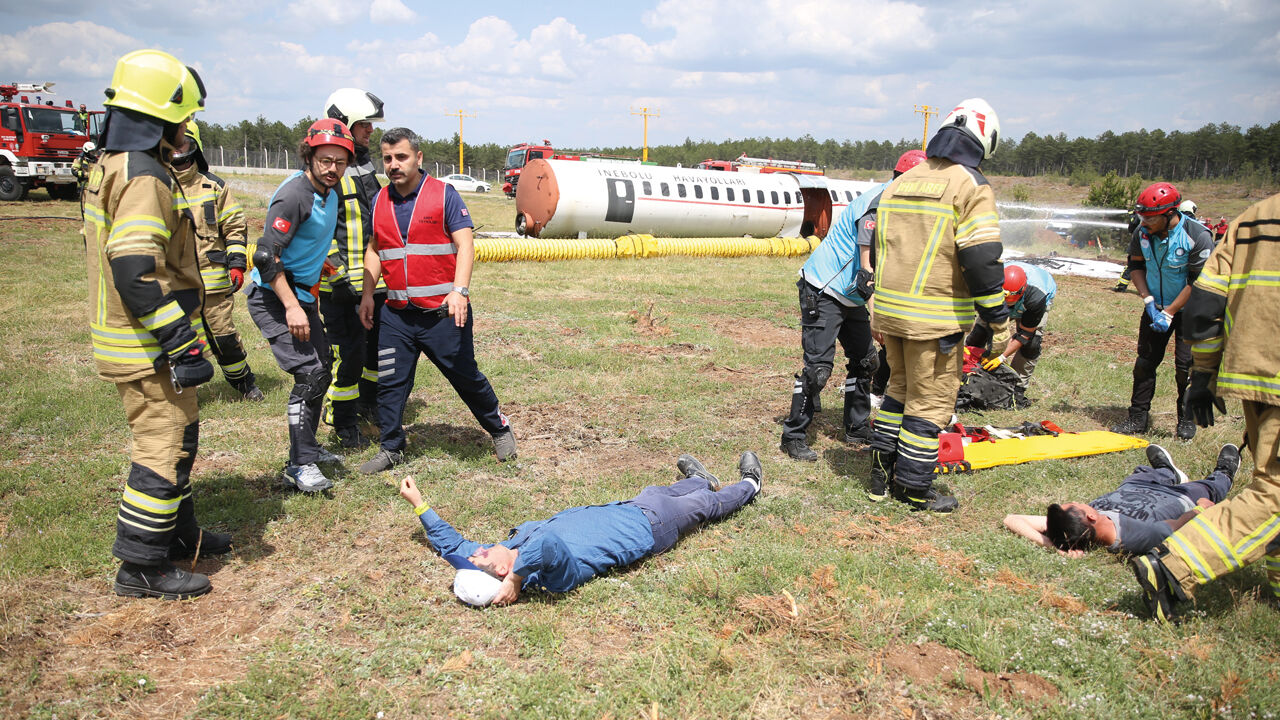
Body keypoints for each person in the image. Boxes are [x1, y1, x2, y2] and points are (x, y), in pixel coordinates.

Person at [85, 49, 223, 600]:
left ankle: (178, 535)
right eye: (182, 119)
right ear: (163, 117)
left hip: (136, 342)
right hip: (146, 346)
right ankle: (142, 565)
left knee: (181, 435)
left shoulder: (114, 165)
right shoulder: (144, 176)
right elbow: (136, 271)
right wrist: (181, 343)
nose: (186, 130)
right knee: (161, 444)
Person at [1128, 191, 1280, 622]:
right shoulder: (1145, 234)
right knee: (1275, 494)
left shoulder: (1252, 218)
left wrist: (1203, 375)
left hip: (1253, 372)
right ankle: (1174, 565)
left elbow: (1204, 306)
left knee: (1270, 479)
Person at [868, 98, 1008, 512]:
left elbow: (879, 248)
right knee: (928, 405)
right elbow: (982, 258)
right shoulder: (969, 186)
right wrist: (998, 320)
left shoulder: (901, 181)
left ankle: (879, 477)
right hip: (934, 319)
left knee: (897, 392)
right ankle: (912, 489)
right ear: (985, 141)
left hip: (890, 313)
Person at [398, 451, 763, 606]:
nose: (478, 550)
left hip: (633, 507)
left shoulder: (505, 553)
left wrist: (420, 505)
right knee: (704, 508)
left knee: (660, 492)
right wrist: (517, 579)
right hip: (653, 528)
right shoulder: (551, 576)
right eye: (480, 559)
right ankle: (749, 486)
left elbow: (453, 546)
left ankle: (700, 479)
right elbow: (549, 543)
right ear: (502, 571)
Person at [357, 127, 516, 474]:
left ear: (418, 158)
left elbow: (466, 245)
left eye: (401, 157)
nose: (394, 165)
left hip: (442, 313)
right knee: (391, 381)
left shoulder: (444, 195)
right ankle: (391, 447)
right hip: (396, 314)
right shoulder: (379, 201)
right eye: (387, 158)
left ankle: (499, 427)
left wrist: (459, 291)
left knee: (465, 377)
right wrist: (368, 294)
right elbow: (374, 250)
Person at [779, 149, 927, 463]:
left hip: (852, 296)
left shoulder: (907, 208)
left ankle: (857, 426)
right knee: (818, 369)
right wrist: (879, 317)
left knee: (866, 362)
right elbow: (865, 273)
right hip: (824, 288)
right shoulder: (879, 206)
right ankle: (793, 436)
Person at [247, 119, 356, 493]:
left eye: (340, 162)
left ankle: (307, 446)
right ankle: (300, 465)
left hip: (303, 295)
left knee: (323, 367)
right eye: (325, 160)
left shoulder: (331, 192)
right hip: (275, 299)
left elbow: (308, 241)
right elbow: (265, 256)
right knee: (309, 374)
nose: (332, 169)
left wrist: (324, 264)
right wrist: (292, 307)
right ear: (308, 156)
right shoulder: (293, 195)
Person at [1110, 182, 1215, 440]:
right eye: (1141, 216)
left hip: (1191, 311)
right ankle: (1137, 418)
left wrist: (1170, 312)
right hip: (1155, 307)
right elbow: (1136, 267)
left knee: (1185, 368)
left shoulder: (1198, 236)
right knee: (1145, 363)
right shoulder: (1141, 234)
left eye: (1148, 217)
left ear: (1170, 213)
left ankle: (1186, 420)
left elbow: (1197, 282)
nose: (1142, 221)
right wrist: (1148, 301)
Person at [1004, 443, 1240, 556]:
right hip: (1178, 498)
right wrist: (1200, 511)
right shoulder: (1135, 537)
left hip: (1136, 485)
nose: (1077, 501)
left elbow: (1012, 519)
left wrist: (1056, 547)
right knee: (1211, 488)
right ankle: (1225, 472)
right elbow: (1176, 527)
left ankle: (1169, 472)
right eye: (1074, 504)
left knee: (1152, 473)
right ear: (1090, 515)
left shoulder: (1075, 525)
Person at [170, 123, 262, 401]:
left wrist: (236, 264)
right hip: (175, 283)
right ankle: (183, 391)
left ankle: (244, 383)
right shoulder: (157, 184)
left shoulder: (213, 186)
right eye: (172, 142)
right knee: (181, 340)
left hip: (213, 284)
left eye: (183, 142)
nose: (177, 149)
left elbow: (235, 228)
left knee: (224, 339)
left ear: (194, 145)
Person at [319, 88, 386, 448]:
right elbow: (319, 229)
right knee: (349, 354)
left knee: (374, 350)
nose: (370, 131)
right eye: (363, 125)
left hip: (372, 283)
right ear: (344, 123)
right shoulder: (329, 167)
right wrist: (337, 275)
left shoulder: (364, 165)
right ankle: (341, 419)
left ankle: (368, 403)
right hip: (341, 286)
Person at [966, 261, 1056, 403]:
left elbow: (1025, 334)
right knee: (979, 334)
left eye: (1010, 301)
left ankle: (1017, 388)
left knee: (1031, 344)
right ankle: (966, 374)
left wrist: (1001, 357)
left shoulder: (1037, 297)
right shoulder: (988, 283)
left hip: (1029, 304)